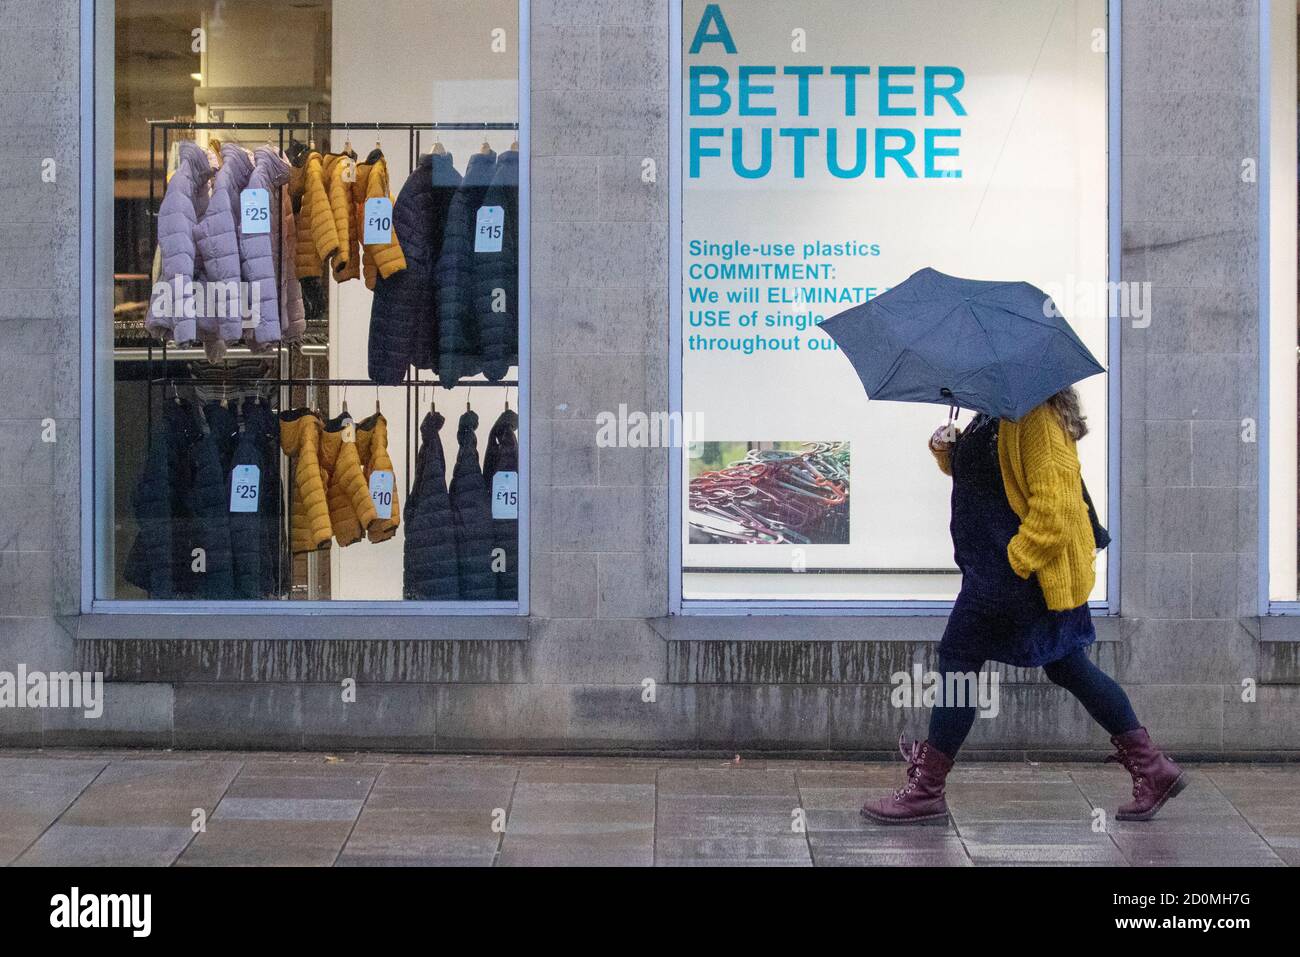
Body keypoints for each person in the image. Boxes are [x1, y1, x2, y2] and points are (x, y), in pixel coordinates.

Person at [861, 388, 1186, 825]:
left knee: (958, 662)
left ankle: (926, 791)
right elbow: (986, 479)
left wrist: (1014, 561)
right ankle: (1154, 767)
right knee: (1067, 665)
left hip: (1017, 579)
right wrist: (947, 450)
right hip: (996, 574)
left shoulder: (1034, 416)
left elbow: (1055, 509)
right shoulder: (997, 411)